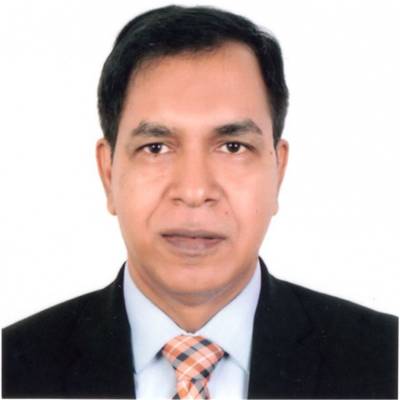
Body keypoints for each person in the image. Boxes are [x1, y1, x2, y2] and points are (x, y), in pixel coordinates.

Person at [2, 5, 397, 399]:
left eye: (233, 146)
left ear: (278, 171)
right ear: (108, 172)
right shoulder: (13, 367)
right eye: (156, 147)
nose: (193, 191)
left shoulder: (384, 359)